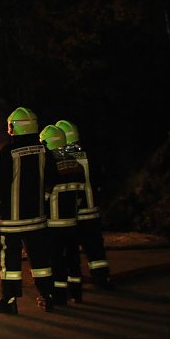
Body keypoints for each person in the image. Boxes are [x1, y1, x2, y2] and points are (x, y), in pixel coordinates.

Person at [0, 107, 59, 314]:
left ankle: (9, 301)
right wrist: (43, 201)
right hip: (37, 220)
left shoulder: (8, 152)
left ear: (14, 127)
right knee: (41, 260)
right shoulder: (44, 151)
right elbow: (52, 181)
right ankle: (48, 296)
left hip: (11, 222)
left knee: (10, 264)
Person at [56, 119, 112, 295]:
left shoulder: (63, 160)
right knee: (95, 251)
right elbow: (101, 180)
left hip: (71, 215)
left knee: (69, 253)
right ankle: (102, 279)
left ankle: (71, 284)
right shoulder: (90, 155)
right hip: (92, 213)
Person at [40, 124, 86, 307]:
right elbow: (81, 193)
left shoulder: (50, 167)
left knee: (56, 261)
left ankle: (59, 296)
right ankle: (77, 293)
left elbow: (44, 197)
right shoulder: (75, 164)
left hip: (53, 224)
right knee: (73, 259)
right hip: (73, 222)